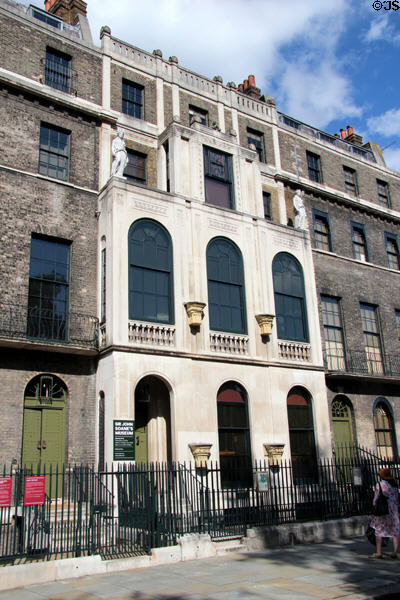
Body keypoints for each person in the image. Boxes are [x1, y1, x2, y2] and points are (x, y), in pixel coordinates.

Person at [369, 467, 400, 559]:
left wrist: (374, 506)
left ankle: (379, 552)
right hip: (394, 509)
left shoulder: (380, 484)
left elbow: (376, 498)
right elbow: (397, 498)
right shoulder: (394, 485)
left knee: (379, 530)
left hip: (383, 510)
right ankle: (395, 552)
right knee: (395, 531)